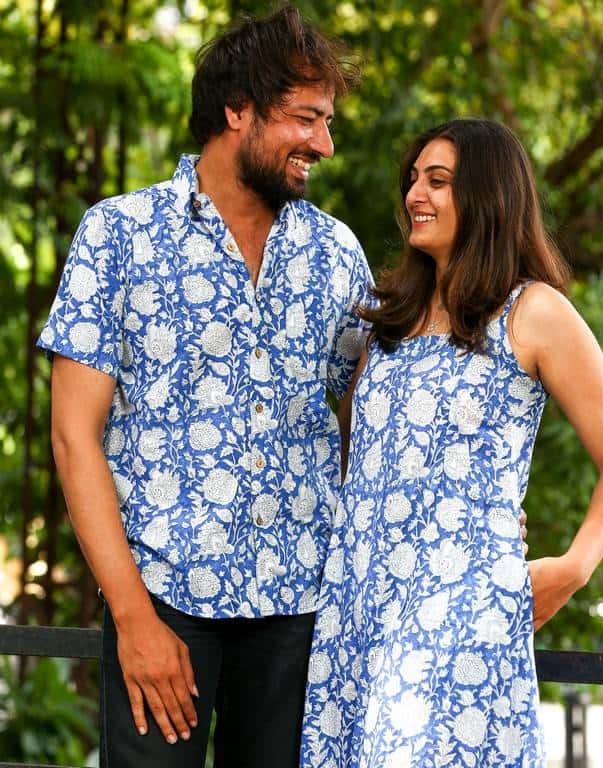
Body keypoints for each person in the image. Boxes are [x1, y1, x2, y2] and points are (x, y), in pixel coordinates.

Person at [37, 7, 373, 767]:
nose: (324, 144)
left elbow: (371, 422)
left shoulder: (336, 253)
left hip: (299, 608)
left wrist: (469, 509)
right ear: (237, 109)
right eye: (306, 119)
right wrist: (133, 619)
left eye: (326, 122)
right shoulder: (118, 236)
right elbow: (73, 437)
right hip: (162, 601)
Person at [300, 118, 603, 768]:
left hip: (460, 614)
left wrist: (572, 569)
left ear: (489, 194)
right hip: (357, 613)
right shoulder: (389, 319)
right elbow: (362, 461)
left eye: (438, 181)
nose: (415, 194)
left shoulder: (533, 311)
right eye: (414, 179)